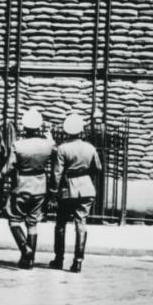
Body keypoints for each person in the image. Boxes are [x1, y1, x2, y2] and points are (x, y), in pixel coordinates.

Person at [0, 108, 55, 269]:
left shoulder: (18, 145)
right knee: (33, 223)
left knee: (14, 220)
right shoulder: (48, 145)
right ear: (39, 127)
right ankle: (29, 261)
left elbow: (10, 166)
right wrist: (49, 138)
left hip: (22, 185)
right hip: (40, 187)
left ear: (24, 127)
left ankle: (25, 249)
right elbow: (56, 155)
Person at [50, 114, 102, 273]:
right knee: (81, 224)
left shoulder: (62, 148)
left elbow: (57, 173)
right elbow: (98, 168)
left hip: (68, 189)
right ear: (81, 131)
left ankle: (59, 259)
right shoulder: (90, 147)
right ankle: (78, 261)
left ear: (67, 132)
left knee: (60, 225)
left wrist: (53, 192)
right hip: (86, 188)